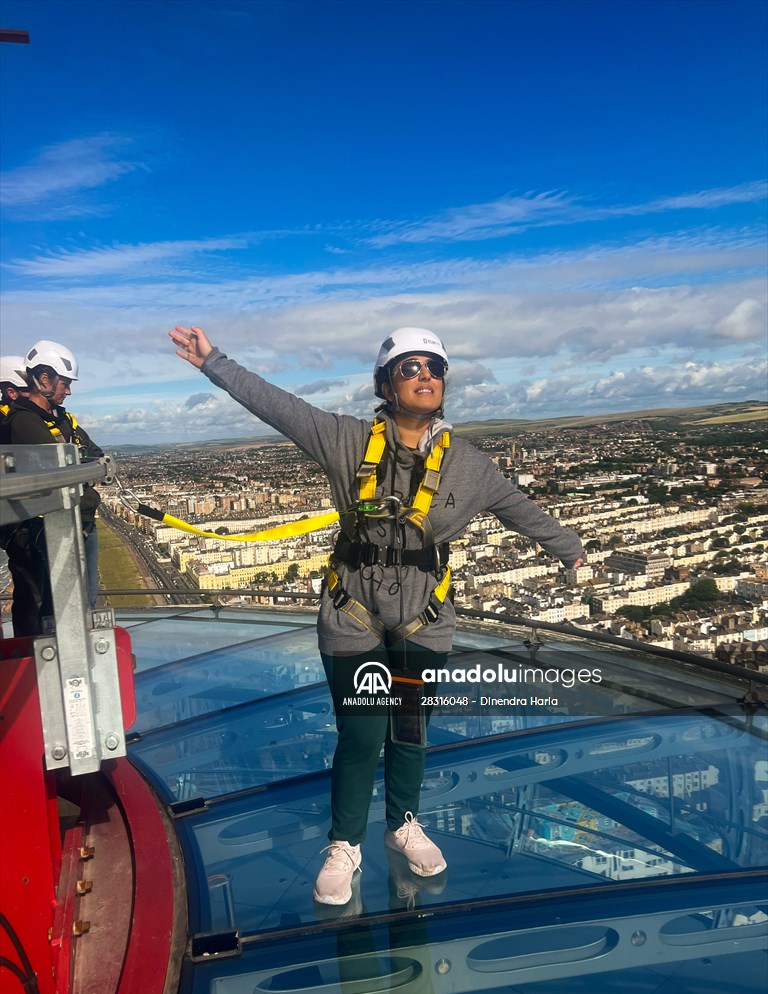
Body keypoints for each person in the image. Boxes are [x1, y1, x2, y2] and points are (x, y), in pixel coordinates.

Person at [169, 324, 585, 906]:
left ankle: (403, 824)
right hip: (353, 612)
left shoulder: (470, 465)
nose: (425, 376)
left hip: (424, 616)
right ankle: (345, 842)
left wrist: (572, 550)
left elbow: (522, 509)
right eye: (410, 367)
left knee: (409, 729)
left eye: (434, 368)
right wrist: (214, 361)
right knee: (362, 733)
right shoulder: (344, 439)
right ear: (385, 383)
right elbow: (276, 406)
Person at [4, 341, 103, 633]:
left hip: (80, 520)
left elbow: (96, 454)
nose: (68, 391)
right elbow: (60, 470)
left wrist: (79, 463)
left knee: (85, 603)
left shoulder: (61, 418)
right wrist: (80, 462)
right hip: (51, 528)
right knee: (58, 611)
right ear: (44, 379)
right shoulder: (22, 421)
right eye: (65, 383)